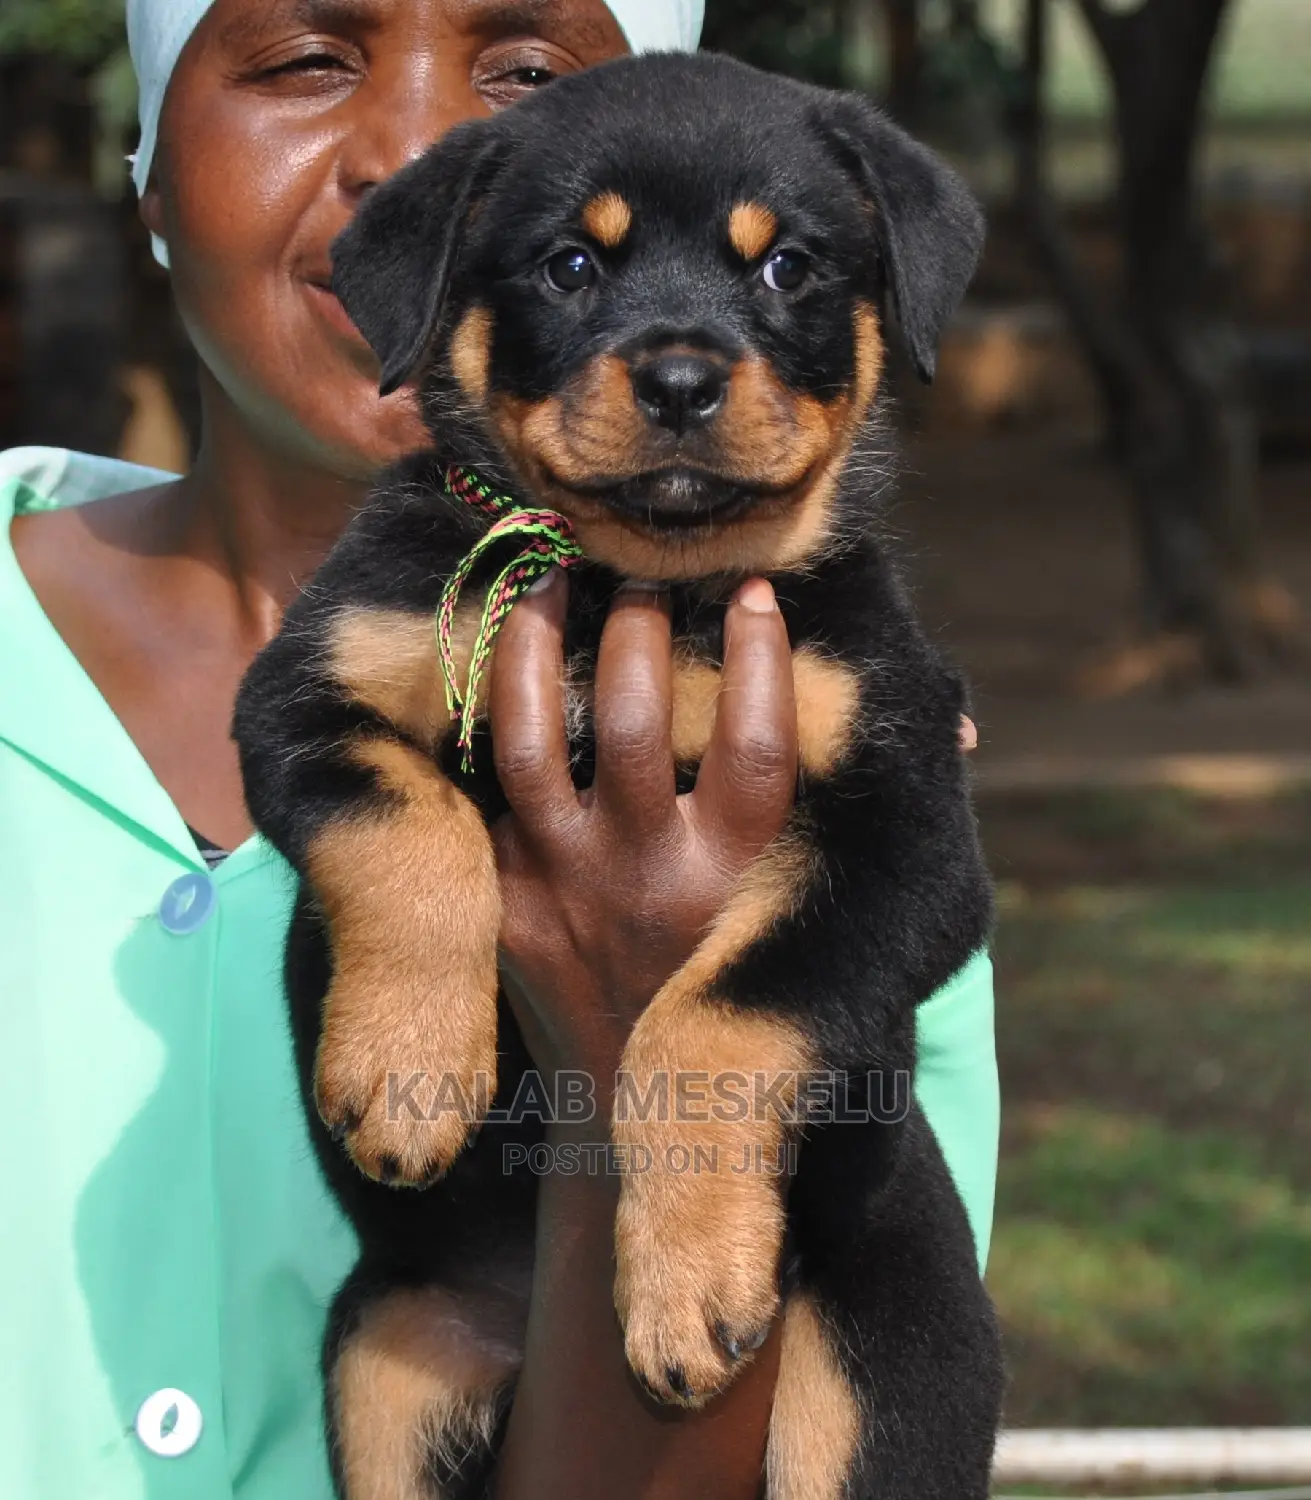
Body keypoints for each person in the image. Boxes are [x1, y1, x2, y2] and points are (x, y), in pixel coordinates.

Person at [0, 1, 999, 1496]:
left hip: (785, 1343)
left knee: (897, 1286)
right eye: (307, 58)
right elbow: (311, 723)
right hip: (430, 1304)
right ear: (143, 160)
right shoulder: (406, 597)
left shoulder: (845, 661)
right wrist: (415, 896)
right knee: (390, 1343)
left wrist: (675, 1071)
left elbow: (912, 891)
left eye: (526, 71)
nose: (676, 359)